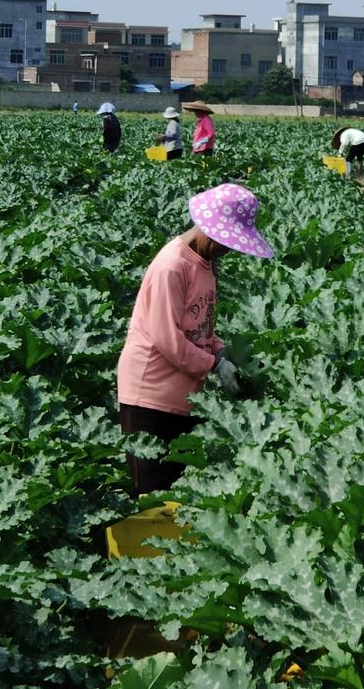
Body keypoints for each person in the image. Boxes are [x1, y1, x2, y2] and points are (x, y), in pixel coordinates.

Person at [117, 183, 273, 495]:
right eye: (225, 242)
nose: (227, 249)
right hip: (149, 394)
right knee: (152, 494)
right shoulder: (172, 266)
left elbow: (200, 327)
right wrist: (214, 365)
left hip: (181, 396)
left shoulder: (206, 263)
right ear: (207, 229)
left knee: (175, 490)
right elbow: (167, 338)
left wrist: (221, 350)